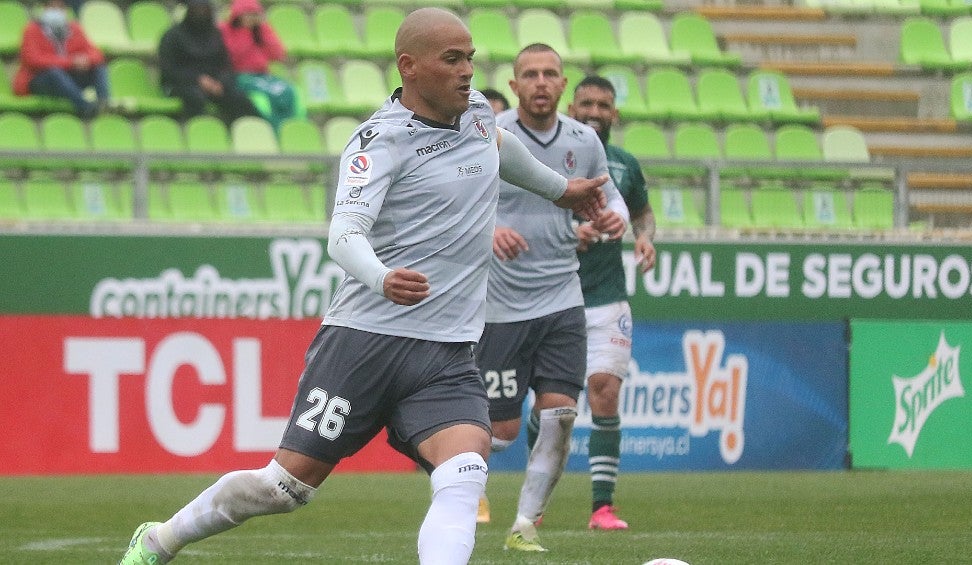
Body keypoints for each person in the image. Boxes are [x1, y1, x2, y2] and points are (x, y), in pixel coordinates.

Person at [119, 8, 607, 565]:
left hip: (447, 350)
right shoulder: (380, 141)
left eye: (470, 58)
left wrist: (558, 189)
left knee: (466, 470)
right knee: (284, 487)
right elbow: (344, 235)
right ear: (410, 67)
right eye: (452, 59)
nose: (468, 71)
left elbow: (497, 145)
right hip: (364, 341)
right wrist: (381, 276)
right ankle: (159, 539)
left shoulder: (475, 112)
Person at [475, 43, 629, 552]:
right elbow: (457, 201)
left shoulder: (584, 141)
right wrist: (490, 230)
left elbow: (610, 197)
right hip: (501, 305)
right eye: (530, 74)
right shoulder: (490, 136)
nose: (540, 82)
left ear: (563, 84)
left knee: (560, 416)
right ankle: (446, 470)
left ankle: (524, 524)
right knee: (499, 433)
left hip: (562, 297)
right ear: (514, 85)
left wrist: (612, 218)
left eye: (549, 74)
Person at [567, 75, 657, 531]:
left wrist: (645, 238)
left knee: (604, 390)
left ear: (615, 114)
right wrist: (568, 233)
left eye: (603, 105)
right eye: (586, 103)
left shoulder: (623, 165)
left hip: (607, 296)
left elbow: (642, 212)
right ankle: (533, 504)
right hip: (552, 295)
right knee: (552, 406)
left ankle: (602, 507)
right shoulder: (549, 157)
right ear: (571, 108)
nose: (594, 113)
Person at [158, 0, 260, 125]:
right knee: (195, 98)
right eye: (197, 10)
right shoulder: (173, 36)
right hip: (182, 83)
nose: (201, 13)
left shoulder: (215, 34)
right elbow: (169, 70)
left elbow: (225, 64)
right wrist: (198, 79)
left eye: (204, 10)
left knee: (239, 98)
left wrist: (219, 81)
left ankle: (236, 131)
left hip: (214, 83)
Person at [13, 0, 109, 118]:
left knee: (98, 67)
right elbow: (33, 59)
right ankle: (85, 107)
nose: (56, 10)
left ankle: (104, 104)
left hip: (68, 79)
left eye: (60, 7)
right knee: (54, 72)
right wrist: (70, 62)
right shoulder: (32, 30)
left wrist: (85, 60)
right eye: (52, 7)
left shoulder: (74, 28)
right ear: (44, 8)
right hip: (39, 81)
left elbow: (96, 54)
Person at [219, 0, 303, 132]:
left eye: (255, 14)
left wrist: (263, 31)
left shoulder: (261, 30)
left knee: (287, 91)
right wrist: (246, 32)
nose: (252, 18)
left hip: (263, 75)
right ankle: (277, 128)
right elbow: (234, 55)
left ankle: (293, 127)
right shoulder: (226, 30)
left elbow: (278, 54)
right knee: (270, 96)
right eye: (248, 14)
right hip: (241, 76)